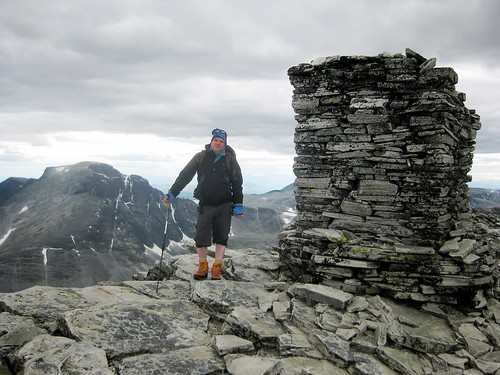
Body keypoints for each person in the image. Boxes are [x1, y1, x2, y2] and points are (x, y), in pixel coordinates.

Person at [163, 128, 244, 280]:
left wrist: (238, 204)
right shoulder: (201, 157)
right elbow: (185, 175)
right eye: (216, 140)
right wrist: (173, 192)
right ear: (211, 141)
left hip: (225, 203)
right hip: (206, 203)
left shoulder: (230, 160)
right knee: (201, 236)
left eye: (221, 141)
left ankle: (216, 268)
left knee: (221, 237)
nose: (218, 143)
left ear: (225, 144)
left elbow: (237, 183)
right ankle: (202, 266)